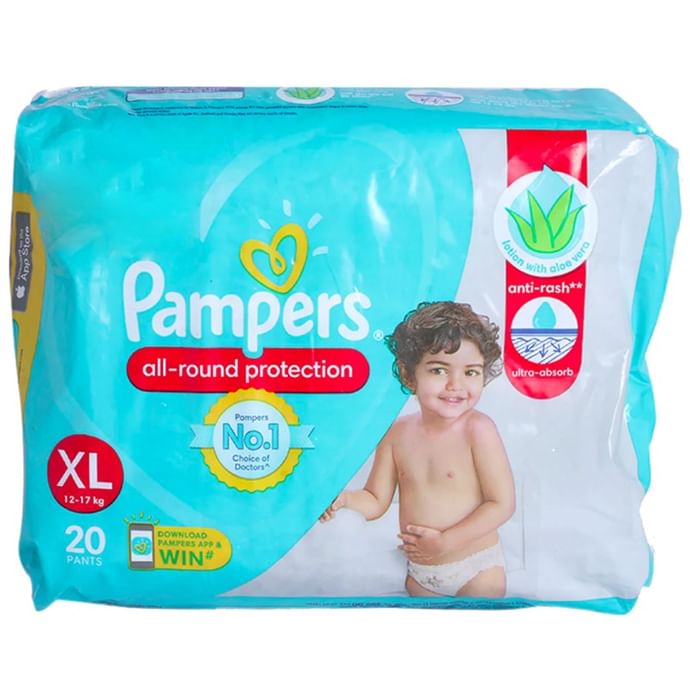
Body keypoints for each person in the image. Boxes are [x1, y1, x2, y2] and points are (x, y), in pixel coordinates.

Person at [320, 301, 515, 598]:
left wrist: (445, 542)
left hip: (476, 568)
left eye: (471, 372)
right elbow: (376, 500)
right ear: (409, 375)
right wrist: (344, 499)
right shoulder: (396, 434)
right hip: (422, 573)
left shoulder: (478, 431)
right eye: (439, 370)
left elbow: (501, 504)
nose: (456, 385)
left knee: (477, 625)